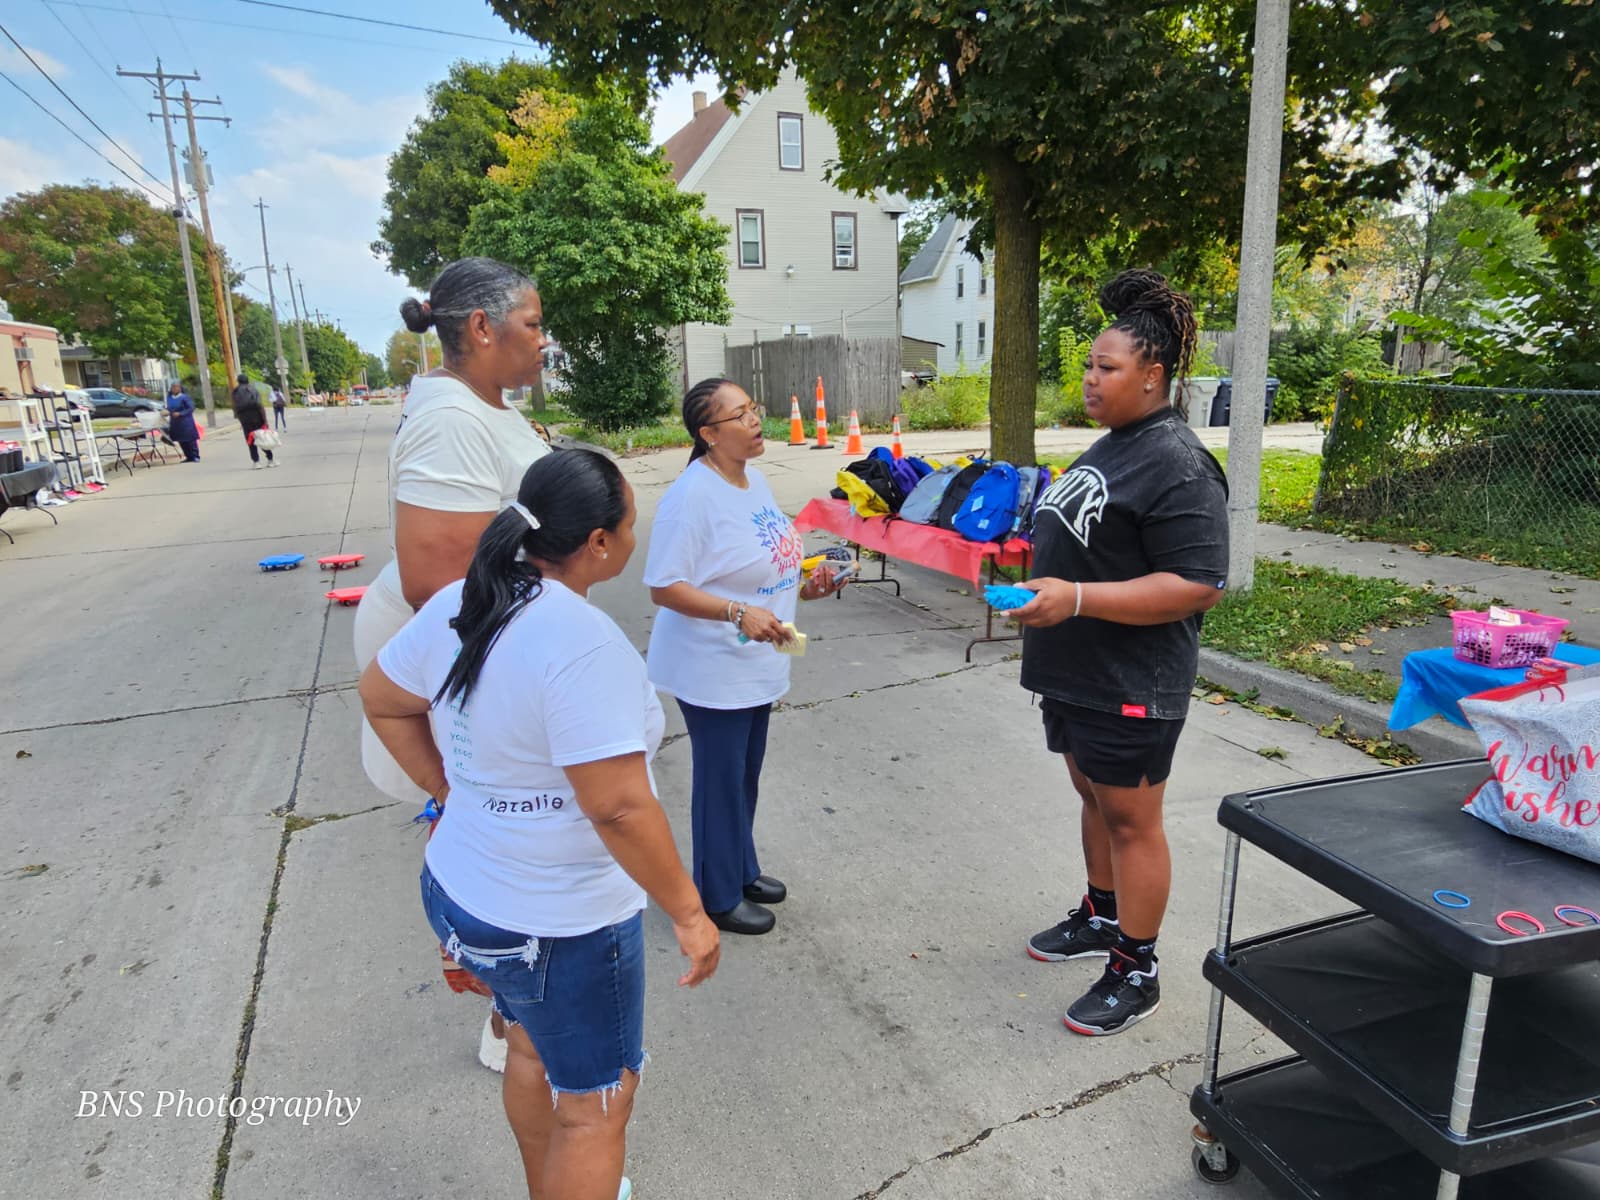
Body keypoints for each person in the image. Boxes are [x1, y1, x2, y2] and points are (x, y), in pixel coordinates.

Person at [359, 450, 719, 1200]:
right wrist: (689, 913)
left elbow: (382, 696)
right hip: (558, 925)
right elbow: (618, 806)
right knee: (594, 1111)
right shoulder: (582, 645)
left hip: (465, 894)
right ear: (597, 543)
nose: (632, 536)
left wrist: (449, 792)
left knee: (529, 1049)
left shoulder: (466, 600)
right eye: (629, 524)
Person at [1012, 269, 1229, 1037]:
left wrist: (1074, 598)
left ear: (1153, 374)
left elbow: (1198, 583)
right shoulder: (1116, 444)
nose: (1090, 378)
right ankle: (1102, 915)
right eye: (1089, 365)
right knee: (1094, 799)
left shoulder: (1178, 460)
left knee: (1134, 821)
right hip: (1075, 671)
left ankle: (1138, 967)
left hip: (1132, 679)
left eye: (1106, 367)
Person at [351, 256, 550, 1072]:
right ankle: (511, 1021)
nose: (544, 340)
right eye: (534, 324)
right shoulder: (448, 418)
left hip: (495, 651)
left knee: (514, 838)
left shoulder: (483, 407)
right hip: (467, 661)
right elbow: (441, 580)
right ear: (481, 328)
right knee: (494, 838)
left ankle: (518, 1006)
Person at [643, 379, 849, 936]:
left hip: (759, 658)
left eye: (755, 409)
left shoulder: (752, 481)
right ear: (709, 435)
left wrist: (808, 585)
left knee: (745, 775)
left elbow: (769, 562)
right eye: (741, 416)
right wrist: (737, 613)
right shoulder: (691, 498)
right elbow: (664, 586)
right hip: (712, 665)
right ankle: (716, 894)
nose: (757, 421)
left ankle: (741, 868)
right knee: (720, 779)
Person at [231, 376, 275, 469]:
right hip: (257, 418)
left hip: (245, 420)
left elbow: (235, 408)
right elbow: (259, 405)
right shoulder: (253, 390)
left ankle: (256, 461)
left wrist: (241, 420)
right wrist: (265, 420)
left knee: (250, 440)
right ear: (248, 381)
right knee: (262, 438)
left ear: (238, 381)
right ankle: (270, 460)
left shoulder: (235, 392)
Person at [166, 382, 199, 463]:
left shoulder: (184, 397)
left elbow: (190, 408)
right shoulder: (169, 397)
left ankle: (195, 456)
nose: (175, 388)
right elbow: (169, 407)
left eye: (177, 387)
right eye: (173, 387)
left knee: (190, 440)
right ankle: (188, 456)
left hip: (186, 422)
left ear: (180, 388)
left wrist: (180, 413)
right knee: (181, 440)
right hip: (175, 423)